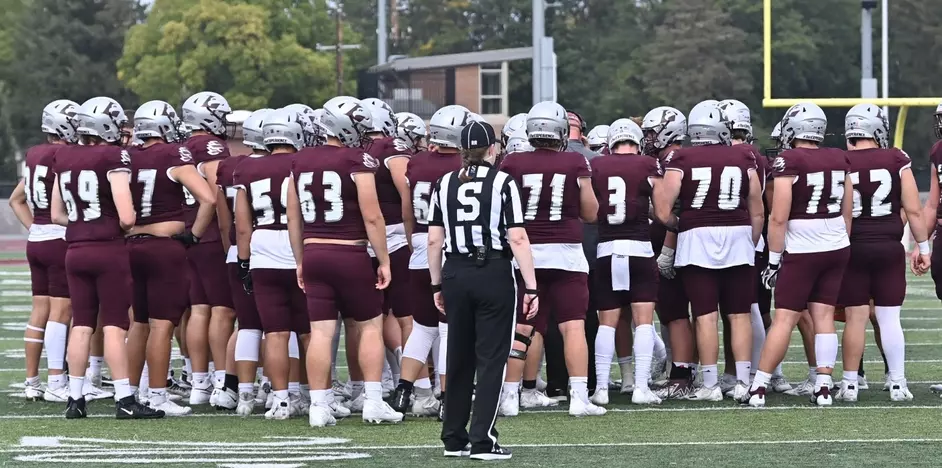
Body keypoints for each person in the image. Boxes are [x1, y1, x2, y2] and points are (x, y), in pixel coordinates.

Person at [286, 96, 402, 427]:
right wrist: (384, 260)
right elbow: (373, 216)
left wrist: (299, 260)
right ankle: (373, 401)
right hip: (349, 252)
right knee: (369, 326)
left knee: (321, 332)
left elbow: (294, 218)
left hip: (314, 253)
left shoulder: (300, 160)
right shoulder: (357, 160)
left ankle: (319, 406)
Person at [428, 120, 538, 461]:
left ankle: (454, 437)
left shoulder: (444, 183)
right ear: (493, 148)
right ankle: (483, 441)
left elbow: (434, 239)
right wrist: (531, 286)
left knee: (458, 355)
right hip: (491, 270)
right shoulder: (503, 182)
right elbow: (516, 237)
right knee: (491, 358)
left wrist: (436, 283)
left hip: (455, 272)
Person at [50, 96, 163, 419]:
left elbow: (57, 214)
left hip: (75, 249)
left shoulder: (65, 155)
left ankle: (75, 399)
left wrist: (85, 223)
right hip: (107, 248)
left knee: (82, 324)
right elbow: (127, 216)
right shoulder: (113, 156)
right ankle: (125, 399)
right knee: (114, 325)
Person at [655, 99, 764, 402]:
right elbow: (758, 210)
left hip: (697, 239)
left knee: (704, 316)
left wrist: (682, 223)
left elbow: (662, 210)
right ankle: (743, 382)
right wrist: (749, 240)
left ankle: (710, 385)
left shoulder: (681, 158)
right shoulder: (744, 157)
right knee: (739, 314)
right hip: (738, 236)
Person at [499, 101, 602, 417]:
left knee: (522, 328)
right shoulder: (575, 162)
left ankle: (511, 397)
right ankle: (579, 398)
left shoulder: (512, 162)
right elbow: (591, 212)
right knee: (573, 326)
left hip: (525, 255)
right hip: (567, 254)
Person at [747, 103, 852, 407]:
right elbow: (847, 211)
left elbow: (778, 217)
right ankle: (823, 386)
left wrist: (774, 259)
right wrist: (839, 238)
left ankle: (759, 387)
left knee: (784, 319)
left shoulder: (788, 160)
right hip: (836, 244)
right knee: (824, 317)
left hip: (803, 247)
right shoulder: (838, 157)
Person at [124, 100, 216, 416]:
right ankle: (158, 394)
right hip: (164, 248)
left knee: (138, 323)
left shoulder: (129, 158)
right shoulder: (173, 155)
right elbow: (208, 198)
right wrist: (195, 234)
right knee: (162, 325)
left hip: (132, 245)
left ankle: (130, 393)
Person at [836, 104, 927, 402]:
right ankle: (897, 383)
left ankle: (850, 384)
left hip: (853, 246)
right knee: (889, 318)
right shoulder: (896, 158)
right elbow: (913, 208)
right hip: (888, 247)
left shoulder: (841, 160)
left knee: (855, 318)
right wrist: (922, 247)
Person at [233, 107, 317, 420]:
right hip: (299, 247)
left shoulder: (244, 168)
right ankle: (315, 396)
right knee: (310, 332)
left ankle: (281, 400)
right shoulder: (302, 163)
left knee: (276, 332)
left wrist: (243, 261)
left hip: (263, 249)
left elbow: (243, 225)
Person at [391, 105, 470, 419]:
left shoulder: (416, 163)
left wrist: (413, 240)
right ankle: (450, 398)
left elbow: (408, 211)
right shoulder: (465, 167)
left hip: (420, 246)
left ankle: (404, 392)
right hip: (450, 249)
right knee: (451, 329)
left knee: (422, 328)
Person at [589, 119, 662, 406]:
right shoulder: (648, 165)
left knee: (606, 322)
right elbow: (663, 209)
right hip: (640, 248)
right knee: (643, 322)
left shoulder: (596, 165)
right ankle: (641, 387)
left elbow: (590, 209)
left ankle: (602, 389)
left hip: (606, 248)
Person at [10, 100, 77, 402]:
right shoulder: (65, 154)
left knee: (39, 312)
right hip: (58, 236)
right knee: (61, 312)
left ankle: (31, 381)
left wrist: (35, 228)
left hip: (36, 238)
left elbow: (16, 199)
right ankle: (56, 382)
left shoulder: (35, 154)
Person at [180, 91, 236, 405]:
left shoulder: (181, 148)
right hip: (211, 234)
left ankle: (199, 381)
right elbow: (219, 192)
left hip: (187, 234)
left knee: (199, 309)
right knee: (223, 310)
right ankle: (220, 380)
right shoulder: (211, 147)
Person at [215, 108, 272, 415]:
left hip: (239, 249)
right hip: (276, 251)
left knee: (246, 323)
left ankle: (235, 390)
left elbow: (227, 222)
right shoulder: (287, 163)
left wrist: (235, 252)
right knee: (281, 327)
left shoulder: (228, 167)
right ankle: (278, 390)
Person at [640, 106, 694, 399]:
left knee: (676, 313)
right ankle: (682, 368)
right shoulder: (665, 160)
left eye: (651, 132)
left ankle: (682, 374)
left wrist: (669, 245)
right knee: (669, 313)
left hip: (673, 243)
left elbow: (675, 211)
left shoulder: (675, 161)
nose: (648, 138)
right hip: (666, 240)